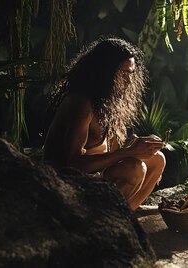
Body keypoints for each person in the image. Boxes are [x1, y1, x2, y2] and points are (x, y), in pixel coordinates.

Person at [44, 37, 166, 210]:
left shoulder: (111, 103)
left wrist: (137, 146)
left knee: (157, 159)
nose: (129, 81)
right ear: (105, 72)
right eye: (123, 73)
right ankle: (101, 221)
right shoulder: (82, 103)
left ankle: (124, 217)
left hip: (94, 178)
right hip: (63, 184)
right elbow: (72, 165)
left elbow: (114, 152)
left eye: (131, 74)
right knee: (134, 168)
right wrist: (129, 152)